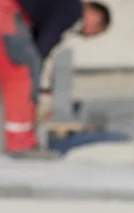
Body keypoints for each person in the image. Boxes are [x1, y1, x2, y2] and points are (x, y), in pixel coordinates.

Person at [0, 0, 111, 159]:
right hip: (7, 10)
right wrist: (37, 85)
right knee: (23, 72)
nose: (89, 36)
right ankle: (20, 144)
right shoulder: (73, 10)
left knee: (16, 67)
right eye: (96, 31)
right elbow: (42, 47)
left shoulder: (59, 8)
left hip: (10, 11)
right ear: (95, 16)